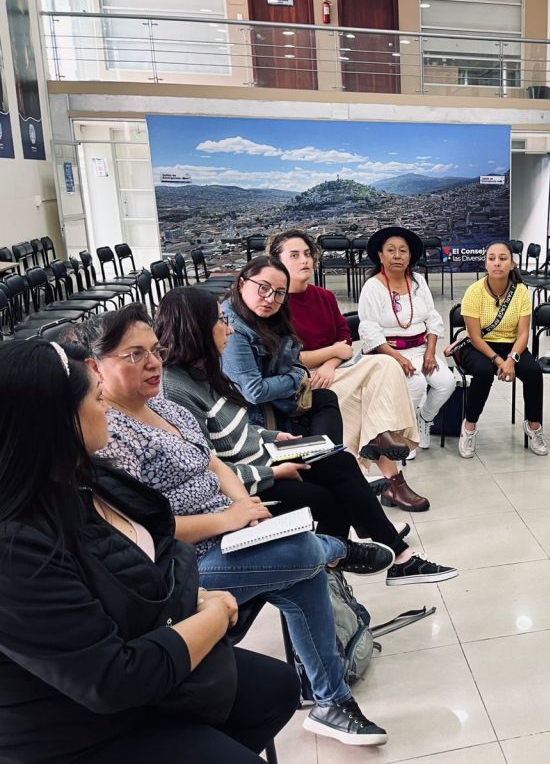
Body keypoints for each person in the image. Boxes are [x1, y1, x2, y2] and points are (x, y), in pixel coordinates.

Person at [71, 305, 396, 746]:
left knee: (303, 573)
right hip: (184, 567)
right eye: (135, 355)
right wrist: (227, 518)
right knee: (305, 553)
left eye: (156, 350)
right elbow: (144, 532)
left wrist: (246, 506)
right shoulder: (108, 434)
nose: (153, 363)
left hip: (234, 536)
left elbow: (215, 462)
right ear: (96, 366)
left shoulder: (163, 406)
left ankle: (331, 702)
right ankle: (338, 549)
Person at [0, 339, 298, 763]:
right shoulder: (16, 550)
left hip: (140, 656)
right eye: (97, 399)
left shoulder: (83, 478)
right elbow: (110, 680)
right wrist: (213, 615)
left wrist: (195, 599)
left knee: (275, 687)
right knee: (301, 555)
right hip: (75, 730)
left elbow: (146, 556)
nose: (107, 410)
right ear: (57, 421)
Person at [156, 288, 457, 586]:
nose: (230, 329)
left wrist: (274, 436)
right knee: (330, 496)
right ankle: (347, 562)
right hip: (247, 482)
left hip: (264, 456)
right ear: (196, 328)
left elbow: (236, 427)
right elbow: (210, 470)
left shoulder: (206, 370)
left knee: (339, 460)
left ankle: (381, 557)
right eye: (222, 321)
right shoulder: (177, 391)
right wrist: (274, 472)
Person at [224, 253, 429, 512]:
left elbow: (343, 340)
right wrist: (319, 361)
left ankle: (370, 454)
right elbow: (285, 367)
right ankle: (374, 475)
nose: (304, 261)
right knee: (353, 397)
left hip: (326, 370)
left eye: (308, 254)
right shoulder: (251, 317)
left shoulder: (316, 298)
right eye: (294, 255)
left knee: (385, 366)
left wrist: (331, 361)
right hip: (296, 384)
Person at [357, 227, 457, 452]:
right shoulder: (373, 287)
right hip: (387, 354)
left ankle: (424, 419)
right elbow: (370, 330)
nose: (397, 256)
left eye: (403, 251)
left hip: (420, 349)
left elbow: (432, 318)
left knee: (446, 382)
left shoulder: (418, 281)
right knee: (416, 384)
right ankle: (402, 434)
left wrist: (430, 352)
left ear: (410, 256)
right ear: (381, 256)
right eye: (391, 250)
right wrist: (398, 358)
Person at [457, 240, 547, 459]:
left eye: (503, 258)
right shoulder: (474, 292)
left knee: (534, 372)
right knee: (483, 372)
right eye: (492, 258)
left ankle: (533, 426)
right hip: (480, 347)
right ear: (485, 264)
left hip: (512, 346)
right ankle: (469, 427)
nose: (497, 263)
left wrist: (511, 359)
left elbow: (523, 334)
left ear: (512, 264)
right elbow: (475, 337)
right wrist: (499, 361)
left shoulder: (521, 291)